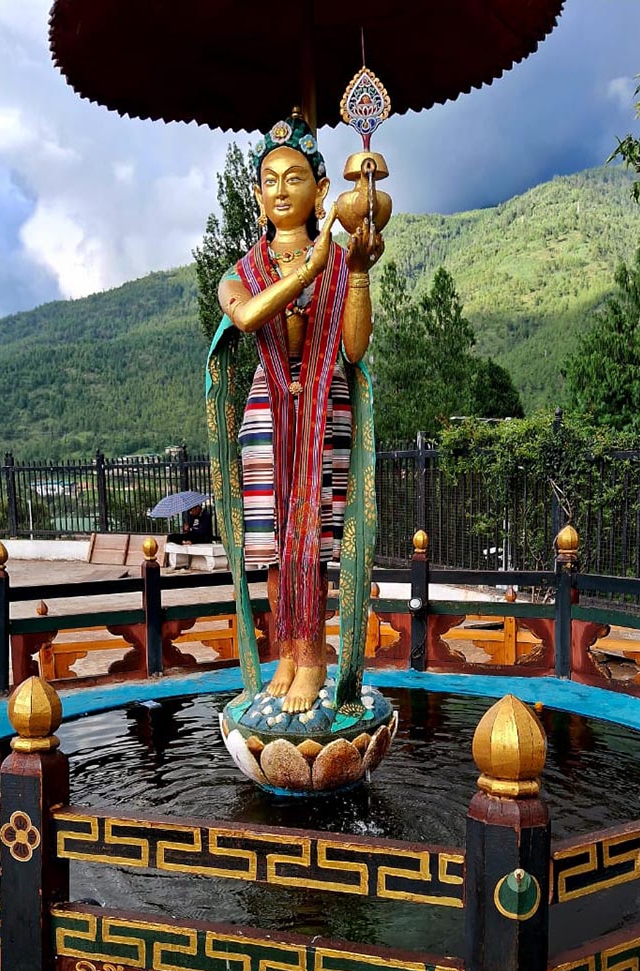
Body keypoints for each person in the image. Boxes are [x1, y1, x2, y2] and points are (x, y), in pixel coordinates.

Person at [215, 112, 383, 714]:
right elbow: (245, 316)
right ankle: (284, 653)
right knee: (270, 543)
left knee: (312, 539)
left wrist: (354, 272)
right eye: (269, 180)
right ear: (258, 195)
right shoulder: (242, 272)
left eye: (294, 178)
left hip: (323, 406)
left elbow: (354, 349)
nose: (281, 191)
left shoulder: (339, 261)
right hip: (267, 409)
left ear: (321, 188)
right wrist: (308, 268)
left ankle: (312, 658)